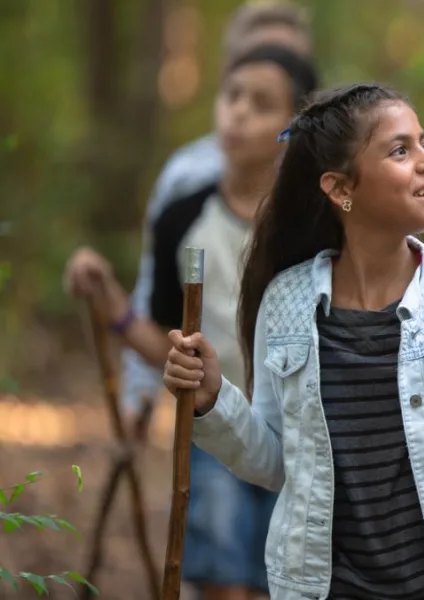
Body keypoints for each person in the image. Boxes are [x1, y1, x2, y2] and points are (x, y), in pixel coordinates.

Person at [159, 82, 424, 600]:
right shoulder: (285, 301)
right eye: (400, 150)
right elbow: (278, 462)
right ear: (340, 188)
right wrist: (214, 401)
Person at [65, 44, 320, 600]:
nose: (239, 113)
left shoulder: (314, 230)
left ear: (295, 126)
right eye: (232, 96)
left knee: (288, 581)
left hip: (304, 433)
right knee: (223, 582)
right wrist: (110, 297)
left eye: (261, 103)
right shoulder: (183, 217)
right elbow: (164, 342)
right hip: (211, 430)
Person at [120, 0, 314, 427]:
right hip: (217, 413)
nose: (243, 109)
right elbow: (156, 289)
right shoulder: (185, 183)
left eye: (286, 62)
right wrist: (139, 393)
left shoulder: (320, 205)